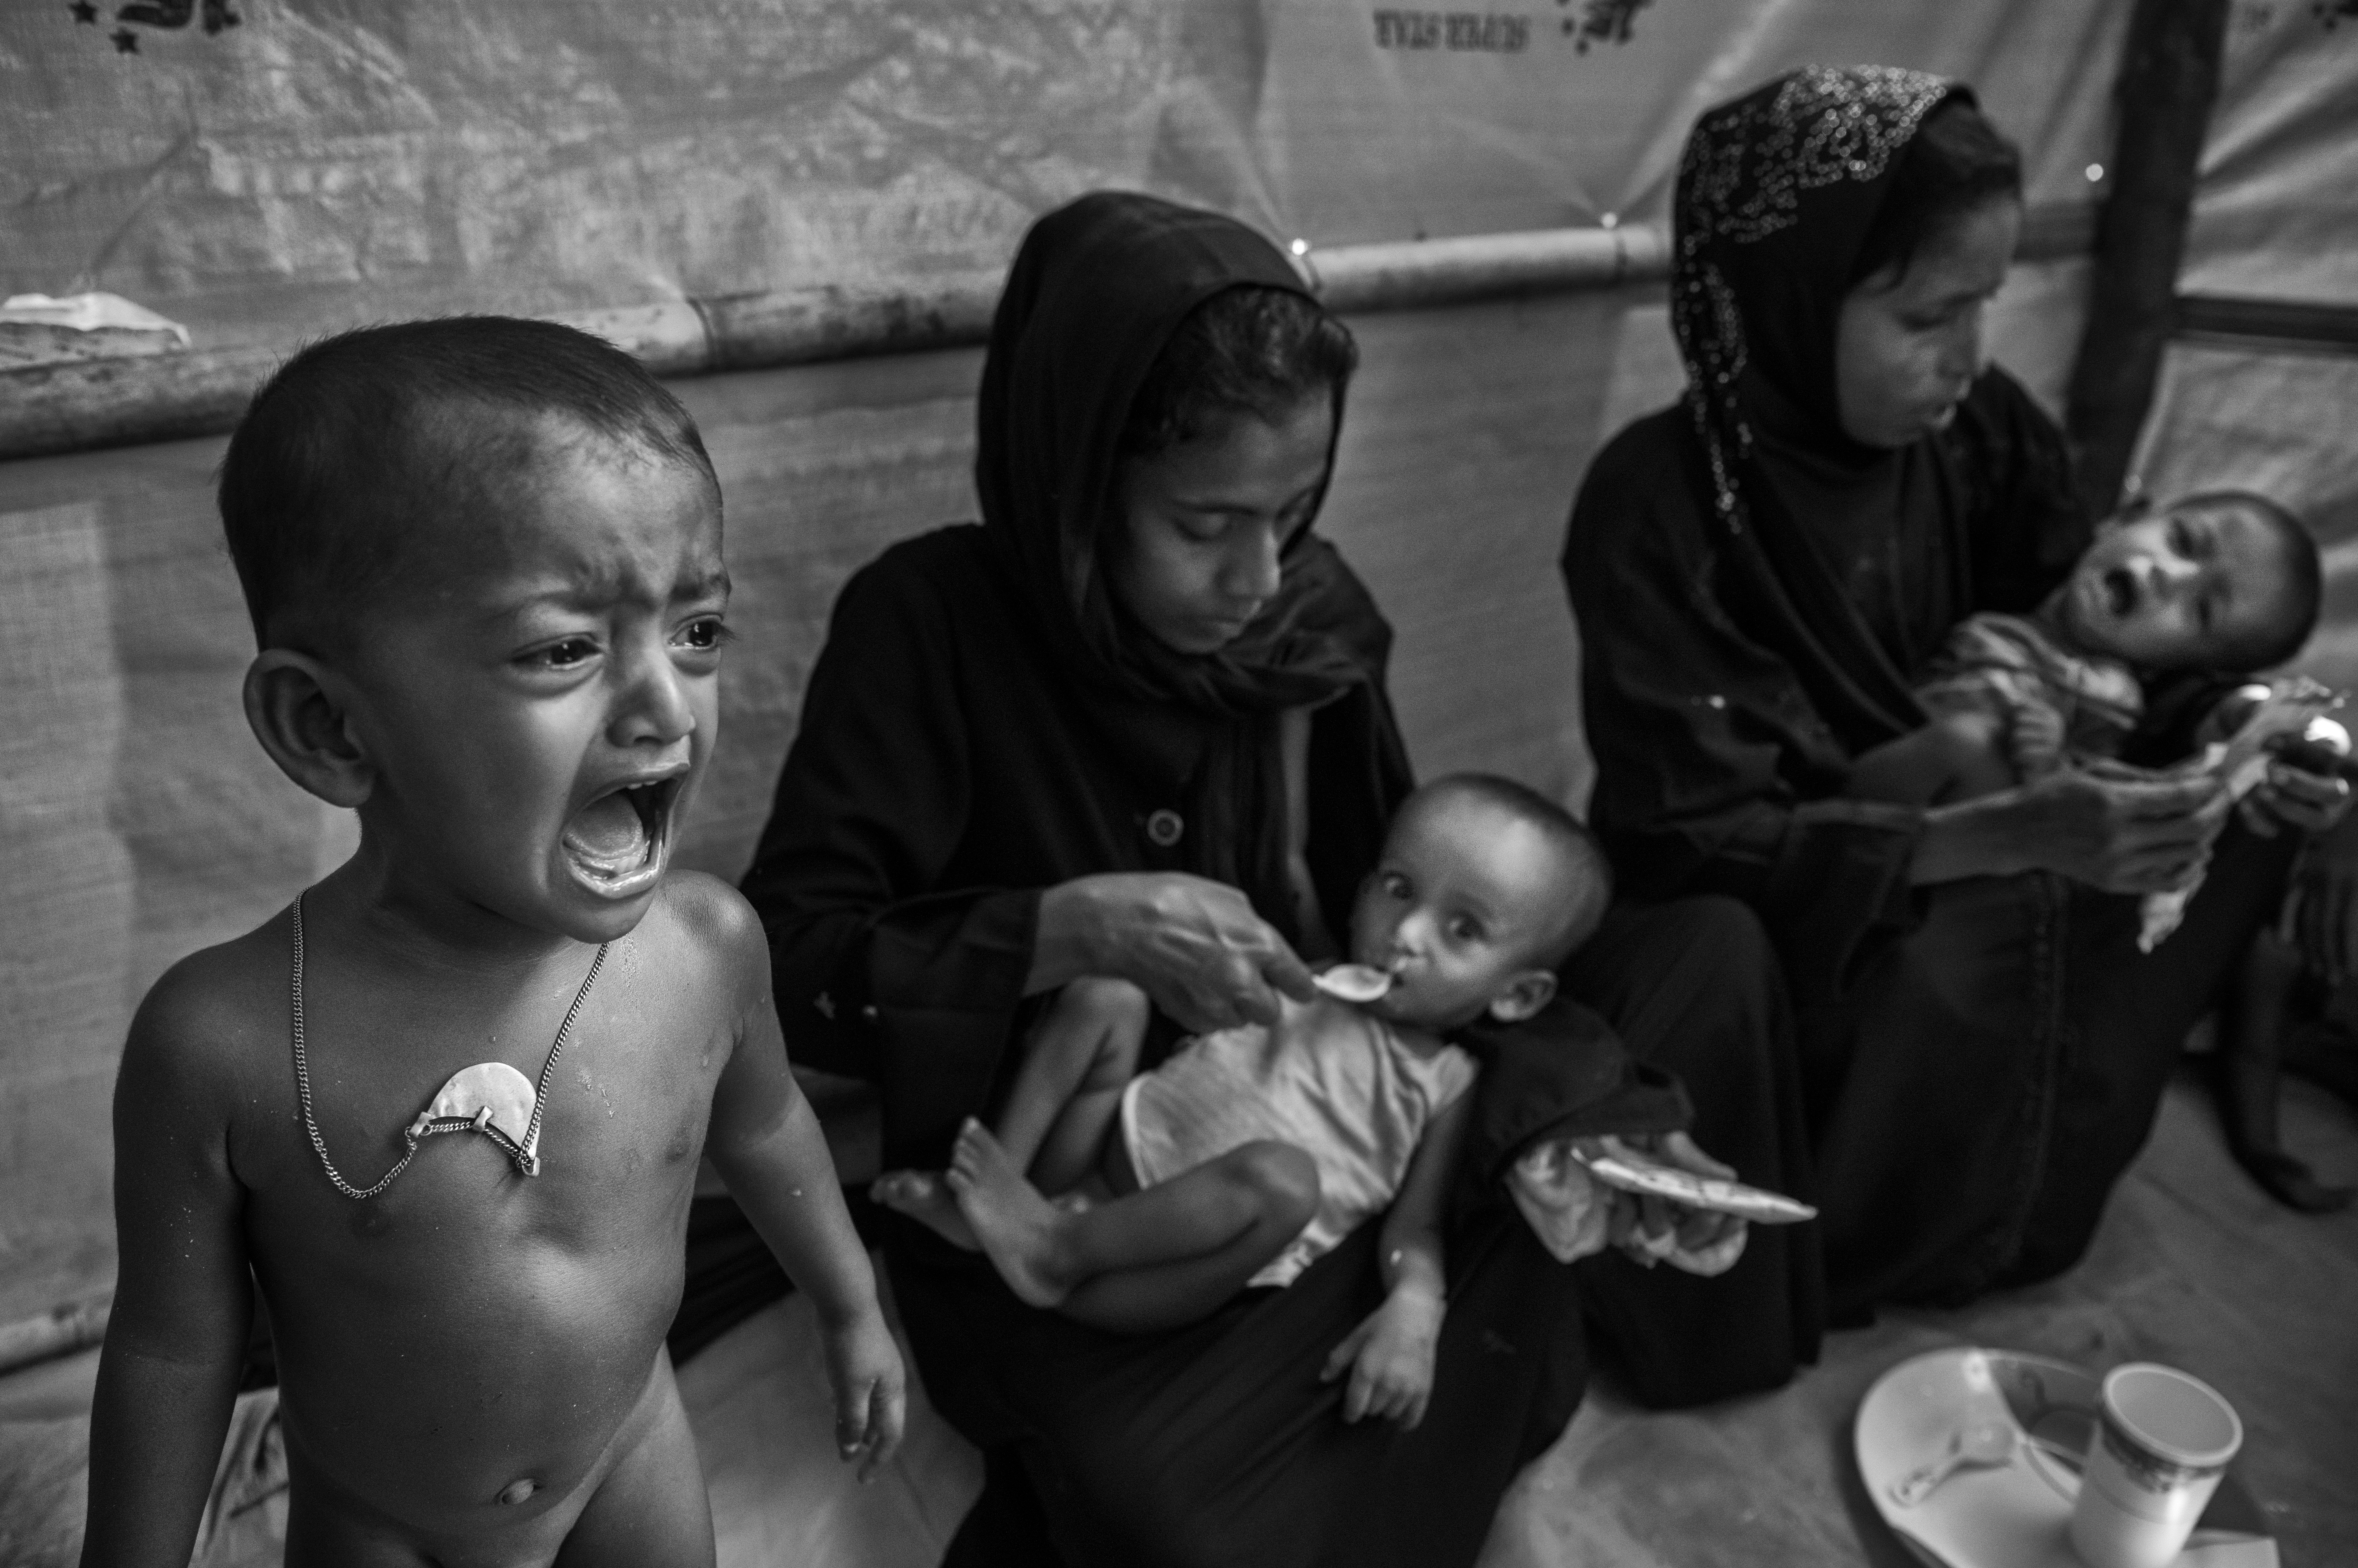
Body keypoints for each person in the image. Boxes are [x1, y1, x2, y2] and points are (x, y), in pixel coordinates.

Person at [741, 191, 1820, 1568]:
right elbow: (786, 961)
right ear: (1077, 479)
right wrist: (1065, 927)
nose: (1259, 573)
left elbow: (1410, 923)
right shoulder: (927, 627)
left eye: (1294, 510)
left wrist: (1580, 1108)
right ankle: (1433, 1358)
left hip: (1335, 1101)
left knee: (1698, 963)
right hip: (1080, 1174)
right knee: (1167, 1501)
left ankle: (1480, 1290)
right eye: (1203, 524)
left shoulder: (1307, 623)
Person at [81, 320, 905, 1568]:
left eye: (698, 629)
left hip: (632, 1460)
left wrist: (851, 1308)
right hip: (382, 1523)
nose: (664, 705)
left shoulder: (704, 950)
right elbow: (171, 1346)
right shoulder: (226, 1041)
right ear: (330, 728)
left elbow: (765, 1128)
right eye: (563, 647)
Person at [1564, 67, 2354, 1319]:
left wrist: (2258, 736)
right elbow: (1697, 842)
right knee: (1930, 942)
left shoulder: (1974, 428)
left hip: (1985, 804)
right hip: (1799, 905)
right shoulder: (1659, 508)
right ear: (1786, 296)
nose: (1969, 358)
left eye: (1988, 303)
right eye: (1929, 316)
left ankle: (2022, 1201)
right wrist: (1999, 822)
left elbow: (2105, 640)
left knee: (2247, 809)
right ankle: (1884, 1235)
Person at [875, 776, 1610, 1437]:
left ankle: (1056, 1253)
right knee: (1109, 995)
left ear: (1516, 994)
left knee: (1285, 1178)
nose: (1407, 933)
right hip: (1101, 1149)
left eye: (1462, 930)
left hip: (1165, 1267)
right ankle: (1002, 1191)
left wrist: (1416, 1313)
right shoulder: (1312, 975)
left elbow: (1415, 1226)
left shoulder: (1448, 1081)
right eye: (1397, 888)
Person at [1847, 490, 2321, 807]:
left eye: (2201, 611)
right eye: (2182, 541)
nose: (2170, 576)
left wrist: (2050, 762)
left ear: (2179, 667)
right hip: (1876, 760)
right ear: (2129, 515)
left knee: (1969, 746)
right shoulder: (2006, 590)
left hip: (1936, 816)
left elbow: (2093, 807)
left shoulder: (2105, 697)